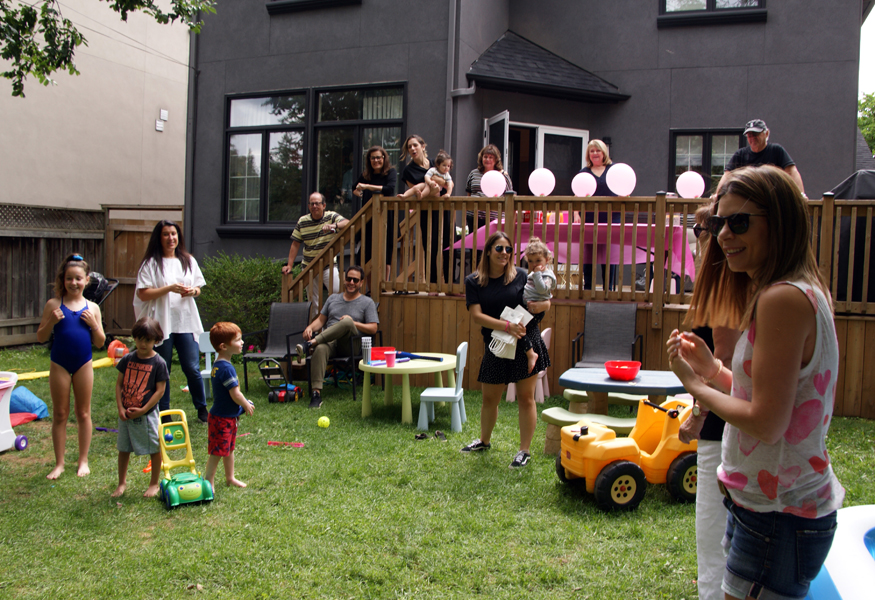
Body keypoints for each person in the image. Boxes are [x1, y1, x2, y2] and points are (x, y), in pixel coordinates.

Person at [667, 165, 843, 600]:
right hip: (772, 508)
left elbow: (766, 423)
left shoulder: (782, 298)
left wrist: (696, 387)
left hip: (779, 514)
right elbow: (767, 398)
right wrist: (713, 370)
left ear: (779, 221)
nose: (724, 235)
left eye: (740, 222)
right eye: (718, 224)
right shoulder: (796, 290)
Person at [678, 204, 743, 600]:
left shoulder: (722, 286)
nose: (700, 238)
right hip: (730, 421)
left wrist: (698, 415)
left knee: (714, 532)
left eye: (703, 229)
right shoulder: (727, 283)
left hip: (723, 426)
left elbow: (723, 362)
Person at [461, 232, 550, 469]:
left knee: (526, 398)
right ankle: (484, 440)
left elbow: (544, 299)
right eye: (499, 248)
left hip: (525, 341)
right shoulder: (474, 281)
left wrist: (545, 305)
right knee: (489, 398)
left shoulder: (521, 275)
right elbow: (477, 316)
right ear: (488, 251)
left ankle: (524, 451)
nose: (504, 253)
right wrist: (506, 326)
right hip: (497, 343)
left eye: (508, 249)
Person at [36, 253, 106, 479]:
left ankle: (83, 460)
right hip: (59, 364)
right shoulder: (53, 304)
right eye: (69, 278)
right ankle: (59, 463)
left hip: (83, 364)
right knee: (60, 413)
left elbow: (100, 342)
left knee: (83, 412)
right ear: (63, 280)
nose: (73, 283)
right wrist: (51, 321)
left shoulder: (92, 307)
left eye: (78, 278)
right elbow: (40, 337)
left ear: (87, 280)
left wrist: (94, 325)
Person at [134, 220, 208, 423]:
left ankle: (202, 409)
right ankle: (164, 413)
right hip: (161, 324)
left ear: (178, 236)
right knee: (162, 368)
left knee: (192, 367)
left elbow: (198, 288)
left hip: (185, 322)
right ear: (159, 238)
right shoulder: (151, 263)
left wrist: (192, 291)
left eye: (173, 234)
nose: (170, 238)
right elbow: (143, 294)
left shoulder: (188, 260)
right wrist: (169, 288)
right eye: (166, 234)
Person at [296, 265, 379, 409]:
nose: (351, 282)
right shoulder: (333, 299)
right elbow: (321, 320)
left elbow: (373, 328)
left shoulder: (367, 302)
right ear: (344, 280)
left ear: (361, 283)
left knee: (346, 322)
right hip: (330, 342)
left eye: (355, 280)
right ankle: (316, 394)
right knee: (320, 348)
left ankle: (310, 344)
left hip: (350, 345)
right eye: (349, 279)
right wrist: (310, 327)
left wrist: (353, 323)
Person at [111, 316, 169, 498]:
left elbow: (160, 391)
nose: (143, 344)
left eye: (148, 340)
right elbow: (119, 385)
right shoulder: (127, 359)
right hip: (126, 414)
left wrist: (144, 410)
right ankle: (121, 483)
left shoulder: (159, 363)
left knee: (154, 448)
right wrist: (120, 408)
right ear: (134, 338)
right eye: (140, 339)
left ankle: (154, 484)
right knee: (123, 448)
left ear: (156, 340)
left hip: (147, 415)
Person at [282, 192, 349, 316]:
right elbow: (295, 244)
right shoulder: (303, 221)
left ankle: (334, 321)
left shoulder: (331, 216)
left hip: (328, 265)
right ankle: (315, 326)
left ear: (324, 205)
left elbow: (347, 223)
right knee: (313, 301)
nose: (314, 206)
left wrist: (333, 226)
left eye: (317, 203)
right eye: (312, 204)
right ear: (308, 206)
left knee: (337, 293)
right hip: (309, 266)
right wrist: (289, 265)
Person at [205, 321, 255, 489]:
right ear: (224, 346)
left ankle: (230, 478)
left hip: (226, 416)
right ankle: (208, 481)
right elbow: (235, 394)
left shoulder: (219, 364)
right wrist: (246, 404)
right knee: (217, 452)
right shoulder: (226, 368)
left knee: (229, 449)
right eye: (238, 340)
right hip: (222, 418)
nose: (242, 342)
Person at [400, 135, 453, 289]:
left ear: (423, 146)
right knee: (431, 246)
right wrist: (433, 183)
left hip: (444, 207)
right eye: (409, 147)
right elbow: (417, 192)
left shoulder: (435, 163)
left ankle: (450, 284)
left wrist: (431, 182)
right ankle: (433, 284)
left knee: (448, 244)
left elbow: (447, 182)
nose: (412, 149)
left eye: (415, 145)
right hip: (426, 210)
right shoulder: (408, 170)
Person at [716, 119, 805, 196]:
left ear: (766, 133)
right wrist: (717, 195)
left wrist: (801, 195)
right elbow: (727, 175)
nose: (752, 138)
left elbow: (792, 172)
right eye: (749, 135)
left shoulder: (776, 150)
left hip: (773, 199)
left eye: (755, 134)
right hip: (748, 199)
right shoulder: (740, 154)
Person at [577, 139, 619, 290]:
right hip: (589, 219)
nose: (595, 153)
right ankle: (588, 288)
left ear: (604, 153)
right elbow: (577, 194)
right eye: (592, 151)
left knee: (609, 255)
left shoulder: (613, 170)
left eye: (598, 150)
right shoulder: (584, 172)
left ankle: (608, 289)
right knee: (588, 255)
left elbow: (623, 189)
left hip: (611, 218)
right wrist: (576, 213)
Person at [354, 146, 397, 280]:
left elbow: (389, 189)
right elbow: (354, 187)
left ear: (384, 158)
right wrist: (361, 194)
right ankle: (369, 288)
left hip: (386, 217)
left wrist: (367, 187)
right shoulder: (366, 175)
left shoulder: (390, 172)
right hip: (369, 218)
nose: (376, 160)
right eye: (372, 158)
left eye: (378, 157)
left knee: (386, 252)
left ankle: (384, 284)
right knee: (367, 253)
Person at [520, 238, 556, 375]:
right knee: (516, 328)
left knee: (519, 328)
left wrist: (536, 274)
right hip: (528, 307)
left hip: (536, 311)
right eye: (530, 261)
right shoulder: (534, 273)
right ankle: (530, 353)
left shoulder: (547, 275)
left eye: (538, 260)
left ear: (547, 259)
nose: (534, 264)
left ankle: (531, 354)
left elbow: (542, 290)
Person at [465, 144, 513, 233]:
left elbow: (509, 196)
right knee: (474, 241)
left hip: (494, 219)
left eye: (491, 157)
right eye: (485, 157)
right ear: (481, 158)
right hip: (474, 217)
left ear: (496, 160)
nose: (487, 159)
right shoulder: (473, 173)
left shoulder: (503, 176)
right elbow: (469, 193)